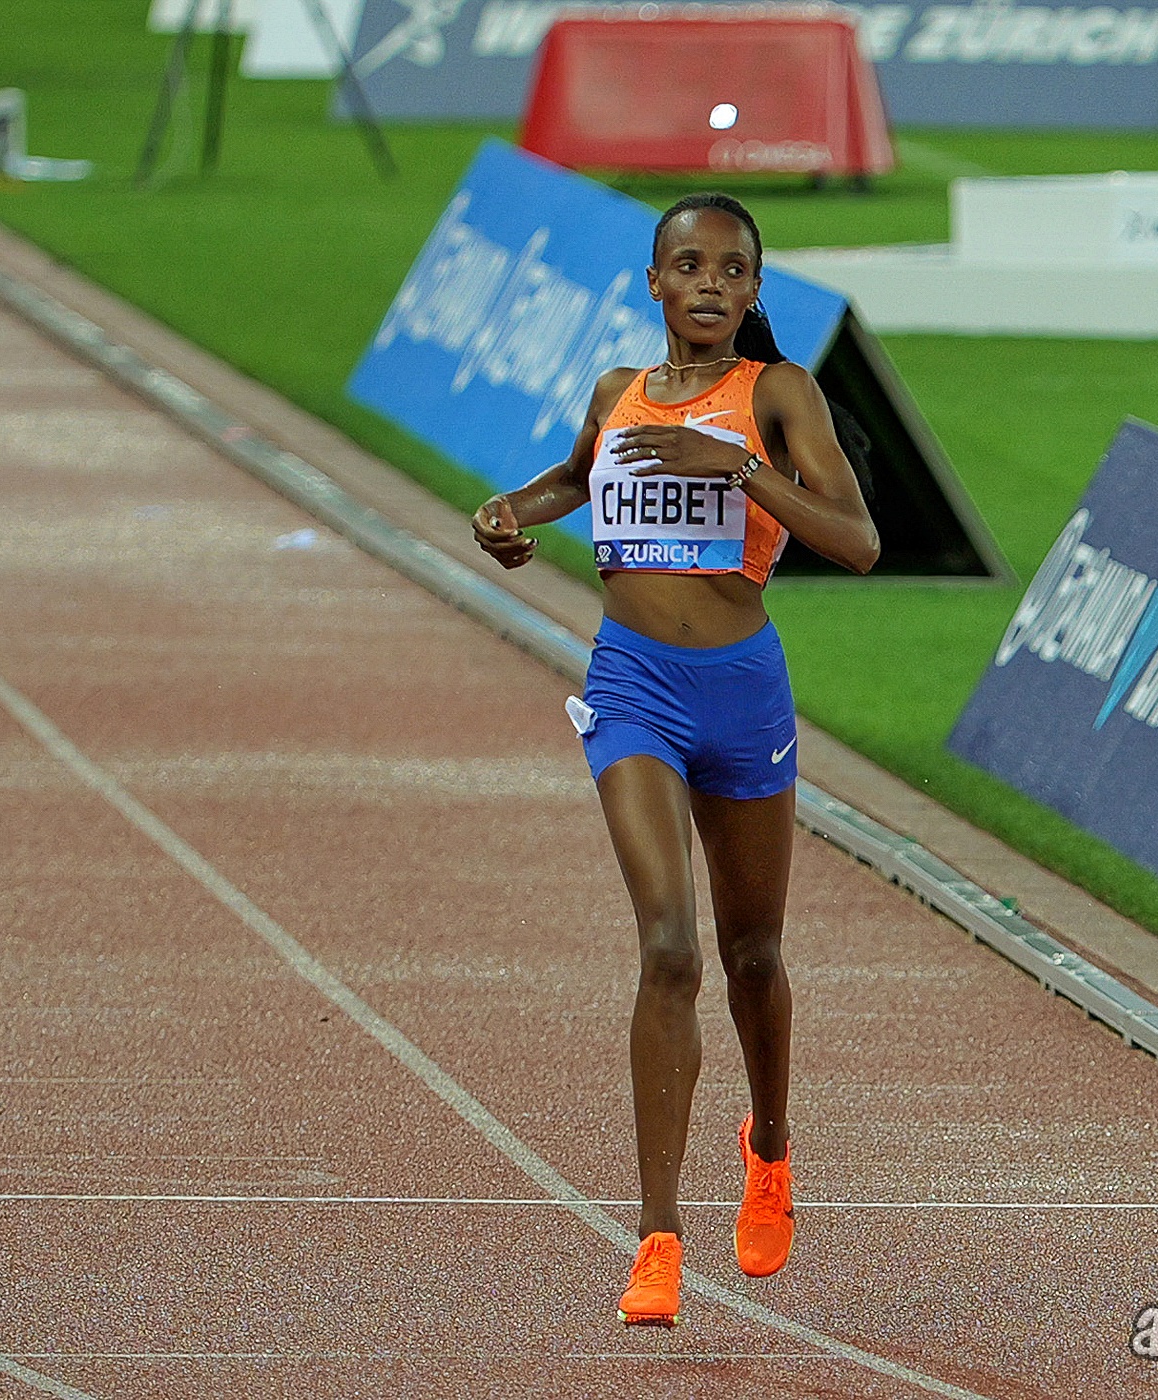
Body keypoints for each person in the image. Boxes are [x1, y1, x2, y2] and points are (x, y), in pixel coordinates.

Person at [470, 192, 879, 1327]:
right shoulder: (617, 392)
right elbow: (570, 477)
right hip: (632, 686)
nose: (707, 283)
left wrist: (733, 466)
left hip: (742, 693)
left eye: (731, 269)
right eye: (686, 264)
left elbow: (855, 542)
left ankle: (770, 1146)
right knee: (667, 947)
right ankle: (655, 1237)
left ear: (754, 291)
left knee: (752, 952)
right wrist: (510, 512)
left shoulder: (777, 396)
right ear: (652, 282)